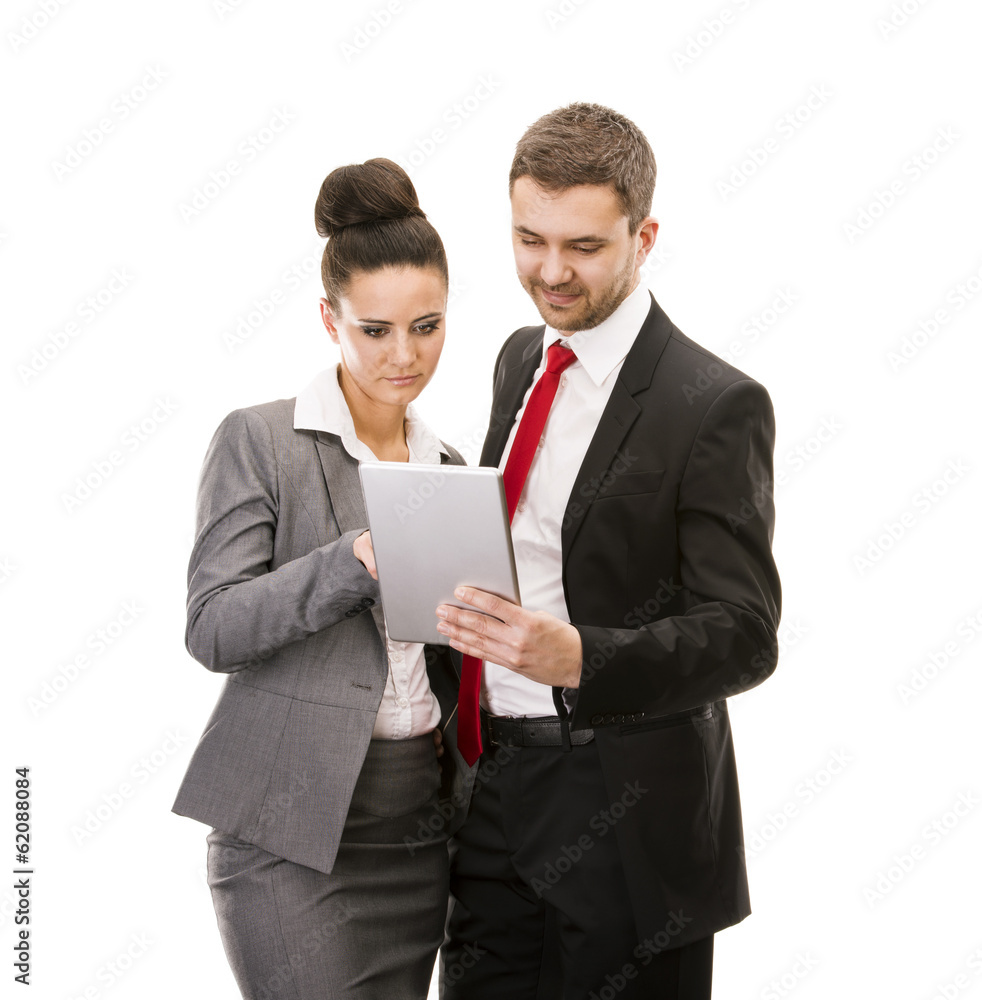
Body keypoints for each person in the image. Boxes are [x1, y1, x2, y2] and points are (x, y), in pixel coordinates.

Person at [435, 103, 782, 999]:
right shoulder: (520, 358)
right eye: (529, 239)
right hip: (491, 794)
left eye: (584, 247)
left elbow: (744, 634)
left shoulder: (714, 404)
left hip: (627, 820)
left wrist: (583, 657)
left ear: (644, 237)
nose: (551, 272)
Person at [171, 157, 465, 1000]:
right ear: (329, 320)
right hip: (286, 836)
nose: (405, 355)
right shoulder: (260, 441)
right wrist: (351, 562)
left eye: (427, 326)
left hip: (417, 828)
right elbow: (213, 627)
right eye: (375, 330)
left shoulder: (451, 467)